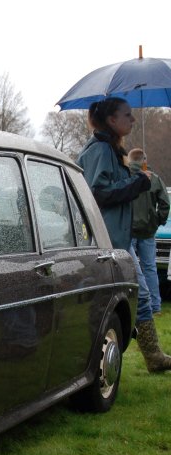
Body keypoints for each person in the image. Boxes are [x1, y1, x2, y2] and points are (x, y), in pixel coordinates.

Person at [76, 97, 171, 373]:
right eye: (127, 115)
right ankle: (145, 357)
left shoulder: (111, 150)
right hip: (105, 243)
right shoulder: (101, 150)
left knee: (131, 296)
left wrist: (135, 179)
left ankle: (151, 356)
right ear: (111, 120)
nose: (132, 120)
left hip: (116, 241)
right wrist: (137, 183)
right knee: (124, 298)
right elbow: (98, 193)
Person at [127, 148, 170, 315]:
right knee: (150, 268)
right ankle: (155, 306)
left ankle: (135, 304)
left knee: (131, 269)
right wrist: (158, 221)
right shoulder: (155, 179)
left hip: (128, 230)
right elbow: (165, 204)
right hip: (148, 231)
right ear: (144, 161)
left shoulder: (125, 178)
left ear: (130, 161)